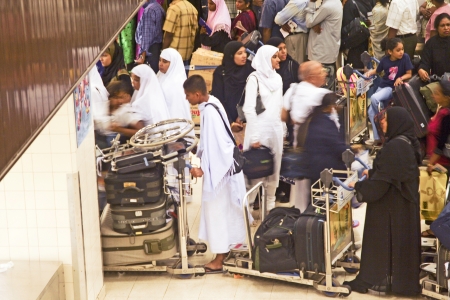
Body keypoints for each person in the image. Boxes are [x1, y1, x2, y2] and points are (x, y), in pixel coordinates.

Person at [344, 107, 421, 296]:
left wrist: (358, 186)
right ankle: (398, 283)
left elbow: (379, 186)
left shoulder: (395, 147)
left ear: (396, 121)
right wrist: (372, 172)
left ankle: (371, 279)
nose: (382, 123)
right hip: (403, 206)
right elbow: (393, 173)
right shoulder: (407, 142)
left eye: (386, 119)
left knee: (382, 244)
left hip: (391, 209)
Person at [184, 75, 248, 272]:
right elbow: (213, 138)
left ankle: (219, 260)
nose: (187, 99)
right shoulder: (213, 102)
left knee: (217, 214)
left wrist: (202, 168)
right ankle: (228, 249)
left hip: (219, 175)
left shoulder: (209, 113)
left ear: (197, 94)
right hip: (226, 173)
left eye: (188, 96)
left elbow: (217, 146)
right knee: (227, 212)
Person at [243, 45, 283, 211]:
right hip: (258, 131)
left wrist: (283, 128)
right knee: (254, 174)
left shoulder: (278, 78)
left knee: (273, 174)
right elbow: (248, 108)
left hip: (275, 131)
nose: (278, 59)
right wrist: (255, 138)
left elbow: (279, 105)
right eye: (274, 57)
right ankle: (249, 212)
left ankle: (270, 212)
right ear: (266, 59)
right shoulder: (254, 79)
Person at [364, 38, 413, 145]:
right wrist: (368, 73)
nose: (401, 52)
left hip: (391, 88)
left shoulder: (405, 58)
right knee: (370, 112)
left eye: (402, 49)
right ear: (390, 51)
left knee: (373, 98)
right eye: (398, 50)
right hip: (383, 86)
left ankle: (381, 116)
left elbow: (409, 74)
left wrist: (400, 78)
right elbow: (377, 71)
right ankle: (378, 138)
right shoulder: (384, 60)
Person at [301, 93, 348, 184]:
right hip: (323, 169)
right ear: (331, 107)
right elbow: (337, 147)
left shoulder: (320, 118)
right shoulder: (324, 125)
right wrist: (353, 149)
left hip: (320, 166)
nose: (340, 107)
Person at [211, 41, 254, 124]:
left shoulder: (250, 69)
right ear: (231, 55)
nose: (244, 55)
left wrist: (243, 116)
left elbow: (254, 96)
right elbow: (218, 98)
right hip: (226, 119)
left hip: (248, 120)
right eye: (239, 53)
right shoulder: (220, 72)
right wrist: (230, 122)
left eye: (245, 52)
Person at [305, 0, 343, 90]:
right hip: (328, 53)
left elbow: (309, 22)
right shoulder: (336, 2)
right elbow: (315, 21)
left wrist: (311, 3)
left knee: (319, 92)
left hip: (321, 56)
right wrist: (315, 22)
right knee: (327, 91)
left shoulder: (327, 6)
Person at [157, 48, 192, 121]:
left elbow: (177, 112)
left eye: (165, 61)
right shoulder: (160, 75)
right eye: (160, 60)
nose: (160, 64)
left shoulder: (178, 84)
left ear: (173, 63)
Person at [426, 76, 450, 174]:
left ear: (446, 98)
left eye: (437, 94)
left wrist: (430, 164)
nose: (433, 96)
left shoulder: (447, 116)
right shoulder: (442, 110)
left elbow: (441, 144)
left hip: (443, 164)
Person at [342, 0, 375, 69]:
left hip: (354, 48)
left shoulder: (350, 4)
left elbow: (345, 29)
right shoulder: (371, 2)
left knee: (354, 75)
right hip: (368, 45)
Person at [135, 0, 166, 74]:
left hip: (150, 50)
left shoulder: (149, 10)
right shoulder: (158, 7)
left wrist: (142, 56)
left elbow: (147, 36)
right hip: (156, 48)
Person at [273, 0, 309, 65]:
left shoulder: (297, 2)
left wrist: (282, 23)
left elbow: (278, 19)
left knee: (293, 66)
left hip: (295, 38)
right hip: (303, 36)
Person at [418, 13, 450, 81]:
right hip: (438, 80)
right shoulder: (431, 43)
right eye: (442, 25)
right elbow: (425, 62)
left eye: (448, 25)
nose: (446, 28)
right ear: (437, 28)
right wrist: (421, 70)